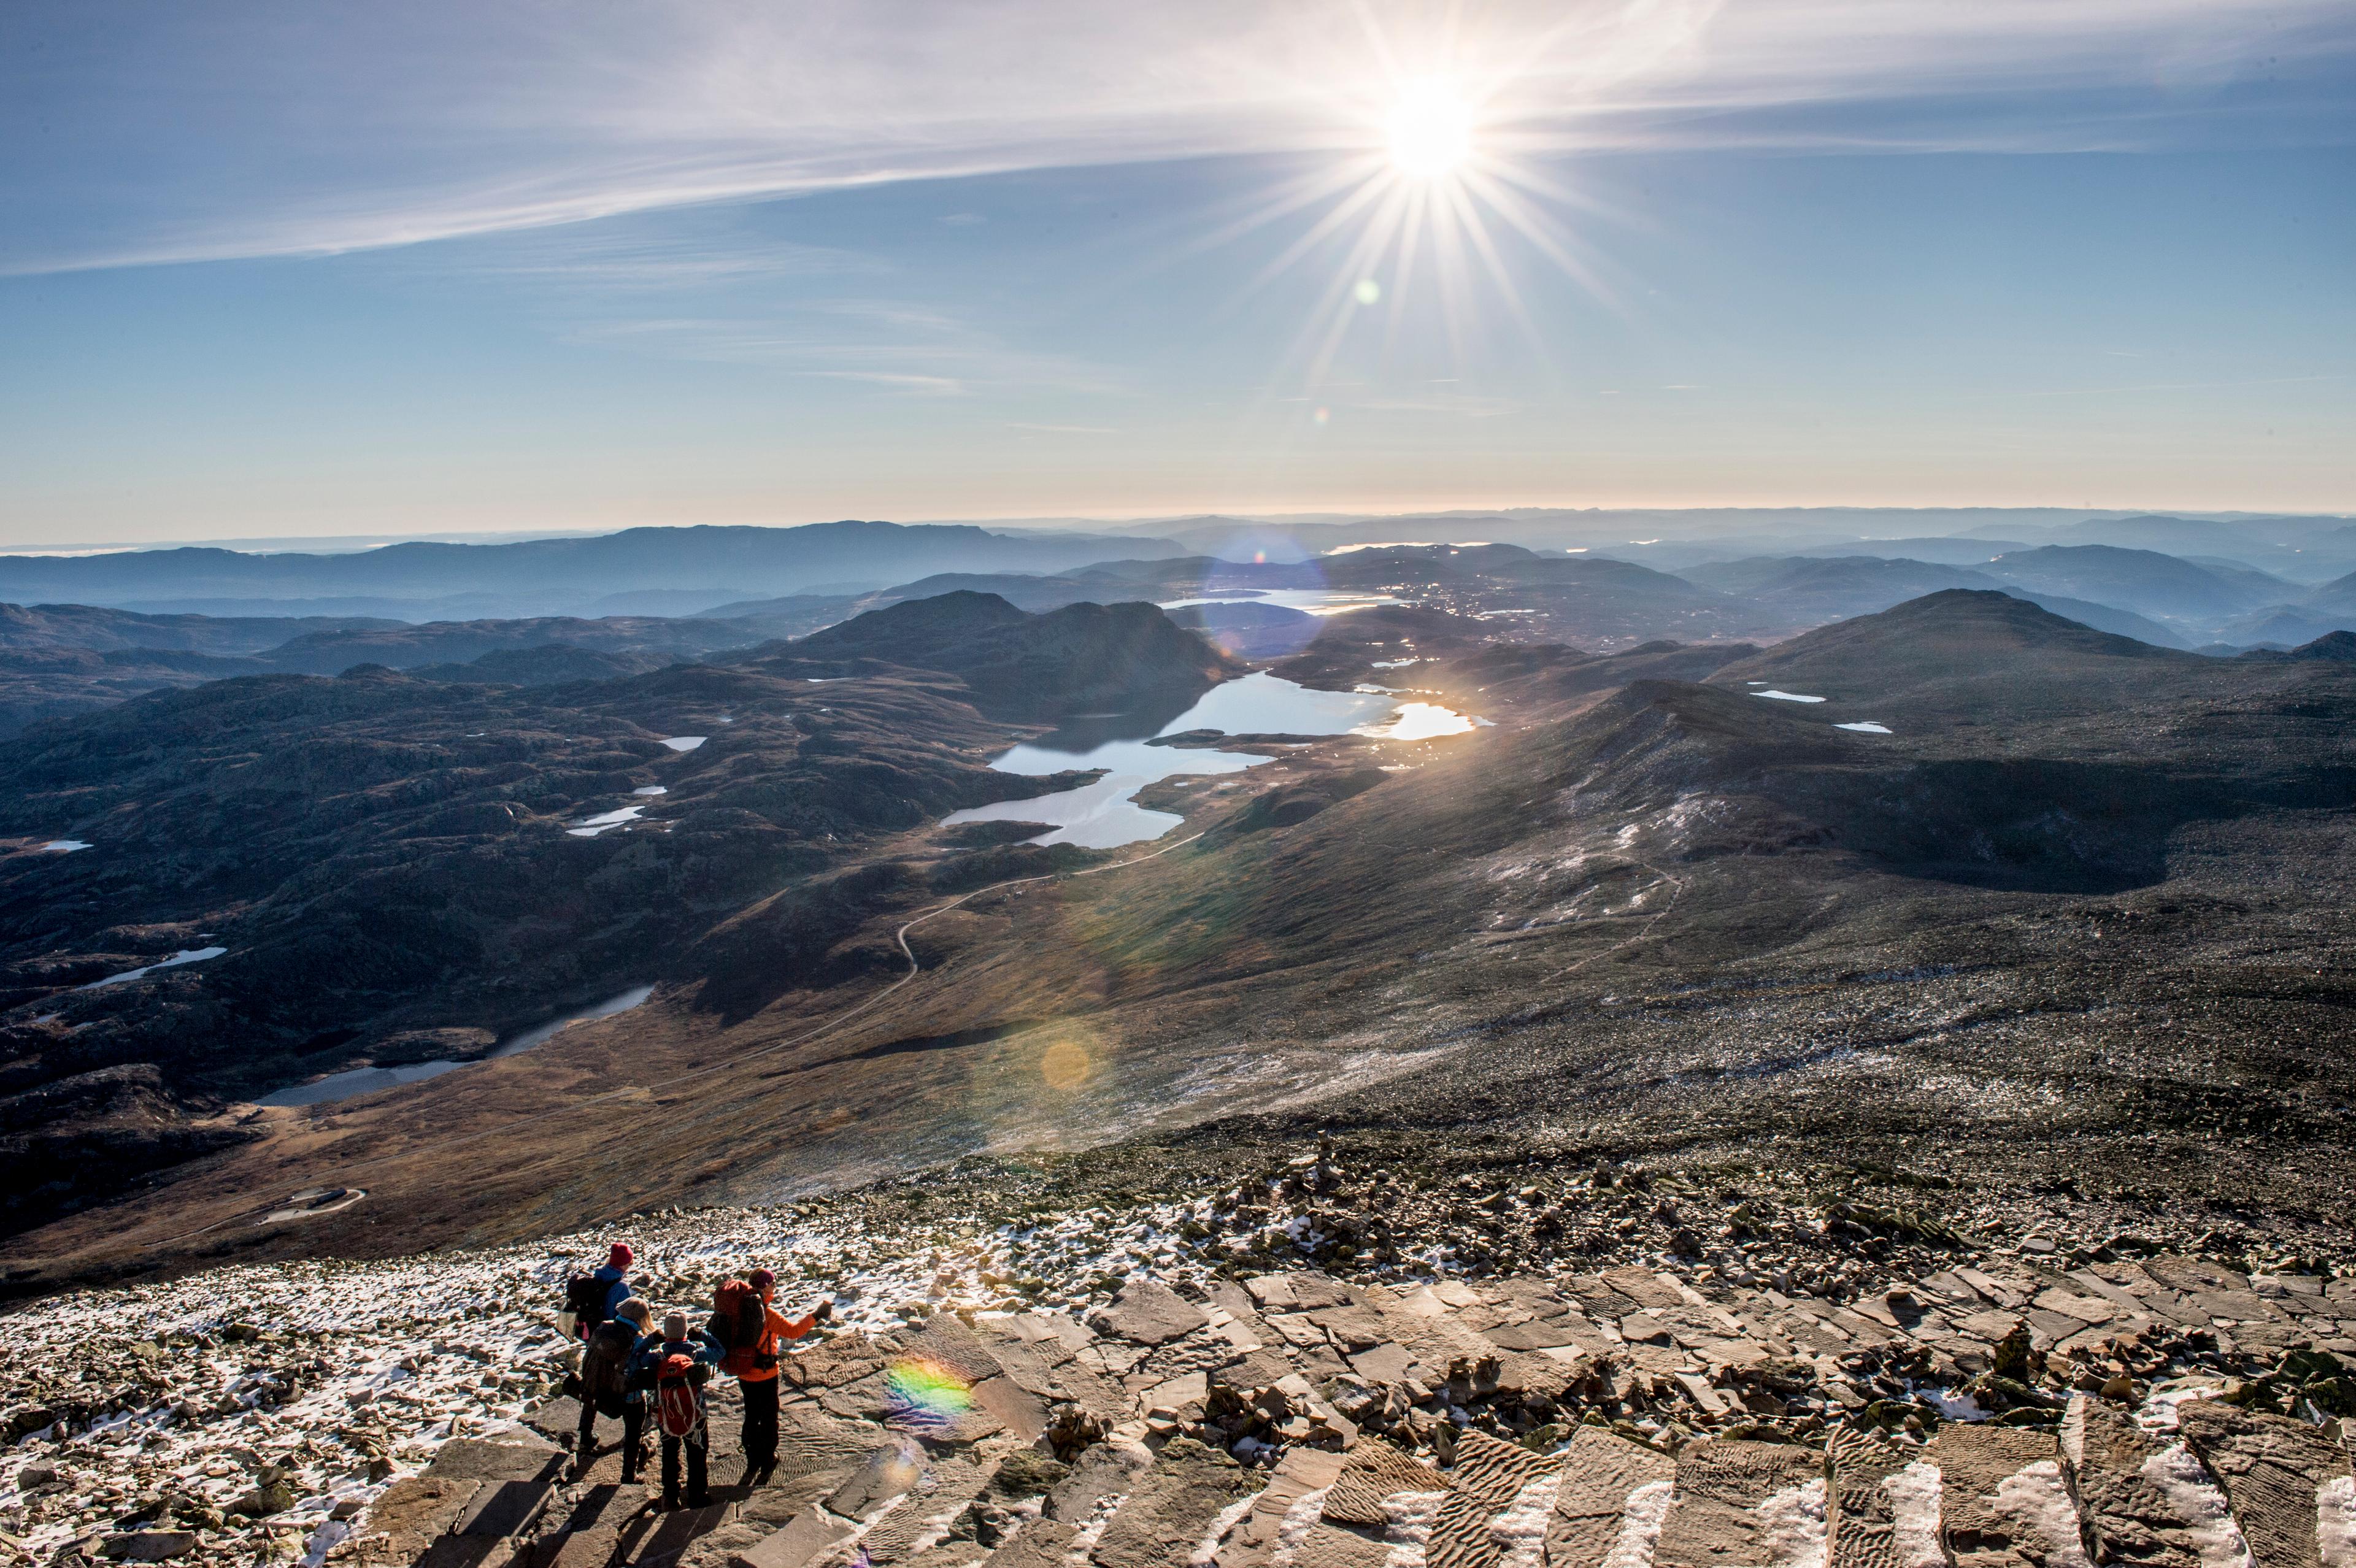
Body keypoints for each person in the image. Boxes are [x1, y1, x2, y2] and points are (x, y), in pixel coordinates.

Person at [712, 1268, 831, 1485]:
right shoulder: (767, 1314)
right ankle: (768, 1460)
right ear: (764, 1286)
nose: (775, 1287)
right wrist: (817, 1315)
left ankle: (752, 1460)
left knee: (751, 1415)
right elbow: (793, 1332)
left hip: (744, 1372)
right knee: (768, 1419)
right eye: (773, 1284)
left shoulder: (737, 1310)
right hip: (766, 1374)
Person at [628, 1310, 719, 1510]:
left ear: (666, 1333)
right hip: (695, 1413)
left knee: (670, 1453)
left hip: (666, 1413)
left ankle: (670, 1496)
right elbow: (720, 1351)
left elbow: (636, 1359)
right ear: (685, 1331)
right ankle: (698, 1495)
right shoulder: (696, 1353)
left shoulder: (658, 1357)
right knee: (697, 1453)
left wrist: (651, 1339)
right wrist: (703, 1335)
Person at [575, 1298, 653, 1480]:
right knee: (634, 1431)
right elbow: (643, 1364)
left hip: (599, 1388)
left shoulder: (604, 1328)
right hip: (627, 1395)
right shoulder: (636, 1339)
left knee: (592, 1403)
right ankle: (629, 1474)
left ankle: (585, 1440)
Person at [565, 1242, 637, 1342]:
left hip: (591, 1329)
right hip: (607, 1335)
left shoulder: (598, 1277)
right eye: (630, 1263)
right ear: (624, 1264)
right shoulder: (621, 1287)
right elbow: (628, 1316)